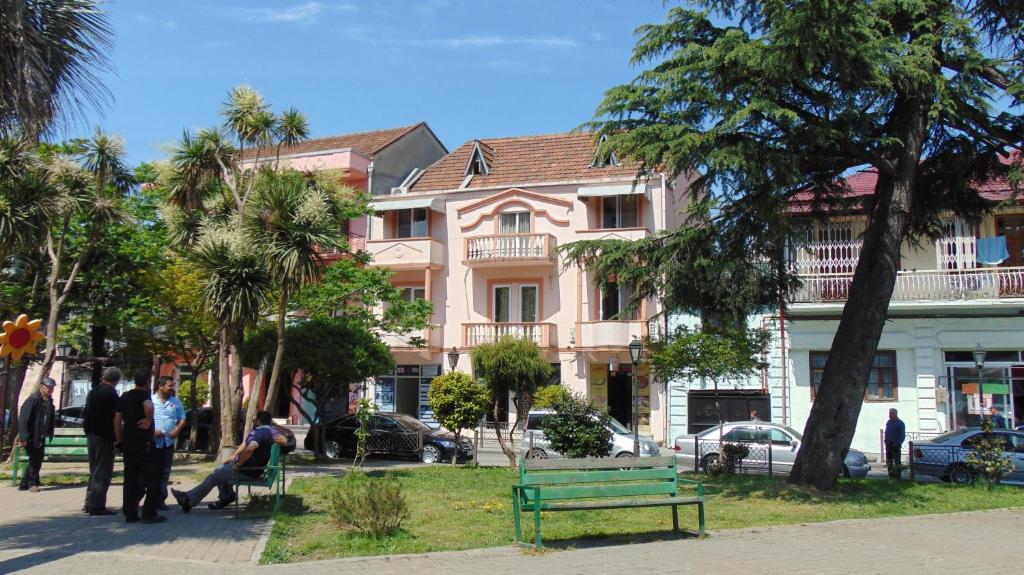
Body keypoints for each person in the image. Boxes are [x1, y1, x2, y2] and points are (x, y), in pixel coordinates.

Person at [172, 411, 287, 513]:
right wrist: (234, 456)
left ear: (259, 421)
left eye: (254, 420)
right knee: (221, 470)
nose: (253, 422)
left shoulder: (261, 433)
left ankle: (188, 500)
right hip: (249, 469)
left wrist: (237, 464)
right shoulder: (265, 431)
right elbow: (245, 444)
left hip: (248, 471)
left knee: (215, 476)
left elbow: (250, 448)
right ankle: (227, 496)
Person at [116, 368, 165, 524]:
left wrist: (119, 439)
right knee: (153, 477)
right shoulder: (144, 395)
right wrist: (149, 419)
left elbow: (117, 418)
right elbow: (149, 406)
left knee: (130, 478)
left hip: (129, 441)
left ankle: (129, 513)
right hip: (144, 442)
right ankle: (149, 513)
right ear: (148, 382)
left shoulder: (125, 396)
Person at [83, 367, 121, 515]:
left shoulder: (94, 391)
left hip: (91, 434)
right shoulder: (111, 394)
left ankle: (89, 502)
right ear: (116, 380)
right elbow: (114, 417)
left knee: (94, 470)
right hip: (104, 437)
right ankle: (97, 506)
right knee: (102, 471)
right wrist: (116, 439)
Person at [152, 376, 186, 510]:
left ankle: (161, 500)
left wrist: (177, 429)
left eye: (173, 386)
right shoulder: (150, 401)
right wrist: (152, 432)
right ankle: (147, 499)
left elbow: (182, 418)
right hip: (154, 443)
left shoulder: (176, 402)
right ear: (161, 387)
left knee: (165, 472)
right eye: (170, 386)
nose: (172, 388)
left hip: (168, 443)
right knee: (151, 472)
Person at [17, 377, 56, 492]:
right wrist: (24, 436)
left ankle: (24, 483)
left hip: (41, 435)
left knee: (37, 459)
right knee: (35, 460)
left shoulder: (49, 401)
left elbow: (48, 418)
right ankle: (32, 483)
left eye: (52, 388)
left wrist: (49, 431)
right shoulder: (33, 399)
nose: (50, 390)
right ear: (41, 387)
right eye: (48, 387)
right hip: (31, 436)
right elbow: (24, 419)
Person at [884, 408, 906, 479]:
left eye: (891, 413)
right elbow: (887, 431)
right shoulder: (889, 422)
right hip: (888, 444)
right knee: (889, 461)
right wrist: (886, 440)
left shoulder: (900, 423)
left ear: (895, 414)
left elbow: (902, 436)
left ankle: (897, 477)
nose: (889, 415)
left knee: (897, 461)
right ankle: (891, 476)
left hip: (895, 445)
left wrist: (896, 443)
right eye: (889, 413)